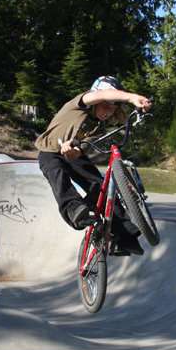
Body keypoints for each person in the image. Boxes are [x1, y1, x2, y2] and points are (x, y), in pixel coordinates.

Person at [35, 76, 152, 255]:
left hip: (73, 155)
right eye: (106, 105)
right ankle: (75, 210)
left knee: (98, 184)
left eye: (113, 109)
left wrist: (141, 110)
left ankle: (124, 236)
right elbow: (102, 94)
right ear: (96, 100)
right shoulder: (79, 103)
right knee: (58, 174)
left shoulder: (98, 127)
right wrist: (131, 97)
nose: (108, 112)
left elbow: (83, 148)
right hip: (50, 152)